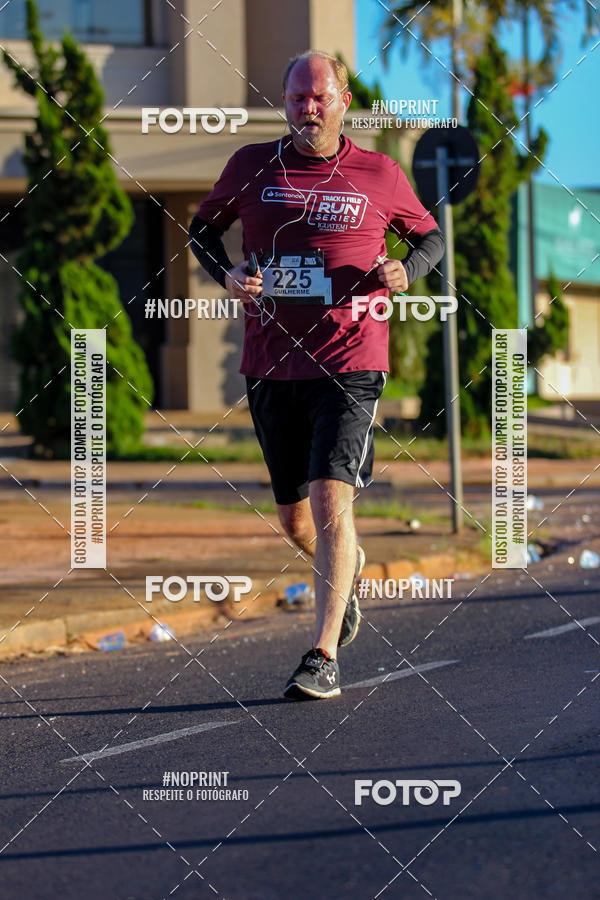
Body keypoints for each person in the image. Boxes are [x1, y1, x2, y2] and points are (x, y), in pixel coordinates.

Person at [189, 50, 444, 700]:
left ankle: (323, 654)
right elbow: (201, 230)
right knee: (296, 521)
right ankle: (347, 568)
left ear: (343, 101)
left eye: (320, 97)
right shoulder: (251, 166)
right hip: (271, 362)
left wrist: (404, 272)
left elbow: (429, 238)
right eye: (298, 97)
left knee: (333, 498)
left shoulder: (379, 173)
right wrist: (227, 274)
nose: (308, 108)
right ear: (286, 101)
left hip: (350, 360)